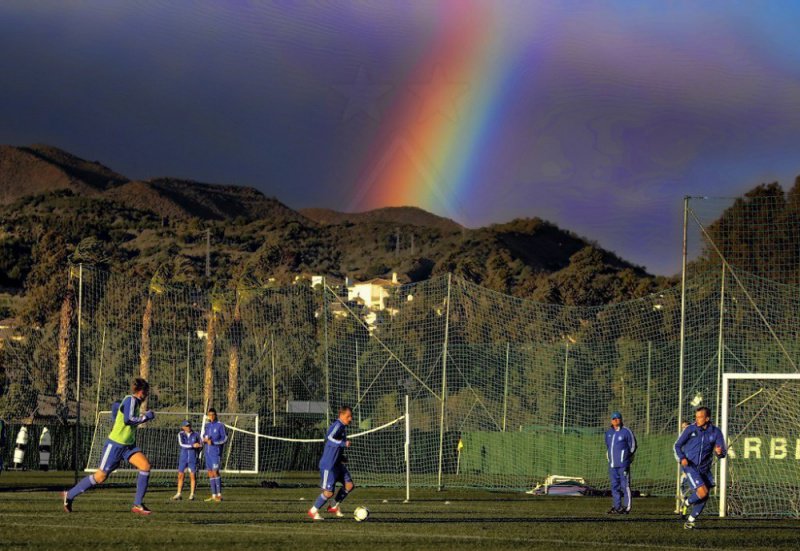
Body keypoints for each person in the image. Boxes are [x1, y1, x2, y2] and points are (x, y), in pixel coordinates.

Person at [63, 378, 155, 515]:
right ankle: (69, 495)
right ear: (142, 392)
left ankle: (137, 504)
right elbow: (128, 420)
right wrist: (145, 417)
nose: (147, 395)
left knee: (145, 466)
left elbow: (117, 409)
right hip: (115, 445)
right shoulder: (131, 400)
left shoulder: (133, 402)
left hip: (128, 446)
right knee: (100, 477)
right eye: (146, 392)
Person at [674, 406, 727, 529]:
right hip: (690, 466)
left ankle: (690, 520)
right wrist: (682, 458)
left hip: (704, 468)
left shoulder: (716, 432)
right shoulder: (690, 429)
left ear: (707, 418)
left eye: (700, 417)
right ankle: (686, 503)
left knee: (705, 495)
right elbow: (678, 445)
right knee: (702, 492)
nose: (697, 419)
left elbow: (722, 453)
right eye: (696, 417)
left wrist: (719, 452)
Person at [307, 406, 354, 520]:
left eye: (351, 416)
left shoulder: (342, 427)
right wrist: (343, 444)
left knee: (349, 485)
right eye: (348, 416)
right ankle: (313, 511)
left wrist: (341, 456)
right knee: (328, 493)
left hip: (337, 464)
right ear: (341, 415)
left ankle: (333, 505)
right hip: (329, 465)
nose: (350, 419)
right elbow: (329, 437)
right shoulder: (337, 425)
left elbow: (335, 446)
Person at [604, 411, 637, 514]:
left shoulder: (626, 431)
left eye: (617, 418)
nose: (615, 420)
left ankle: (627, 508)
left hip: (623, 465)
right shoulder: (609, 433)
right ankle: (617, 507)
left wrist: (626, 458)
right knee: (614, 486)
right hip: (612, 465)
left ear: (621, 419)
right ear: (611, 421)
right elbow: (608, 447)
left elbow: (633, 446)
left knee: (625, 486)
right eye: (614, 419)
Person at [172, 420, 202, 501]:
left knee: (192, 476)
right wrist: (193, 445)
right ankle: (179, 493)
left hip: (193, 458)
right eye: (186, 426)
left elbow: (201, 444)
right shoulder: (180, 434)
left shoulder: (196, 434)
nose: (188, 427)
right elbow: (182, 444)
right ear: (183, 427)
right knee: (180, 476)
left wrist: (198, 448)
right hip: (183, 458)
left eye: (189, 426)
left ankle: (192, 494)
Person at [201, 408, 227, 502]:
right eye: (209, 415)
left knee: (216, 472)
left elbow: (224, 439)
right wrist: (204, 439)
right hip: (207, 453)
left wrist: (214, 442)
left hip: (216, 453)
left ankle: (219, 495)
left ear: (216, 415)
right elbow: (204, 436)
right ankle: (213, 495)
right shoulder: (207, 426)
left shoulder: (220, 425)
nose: (211, 416)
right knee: (210, 473)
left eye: (213, 415)